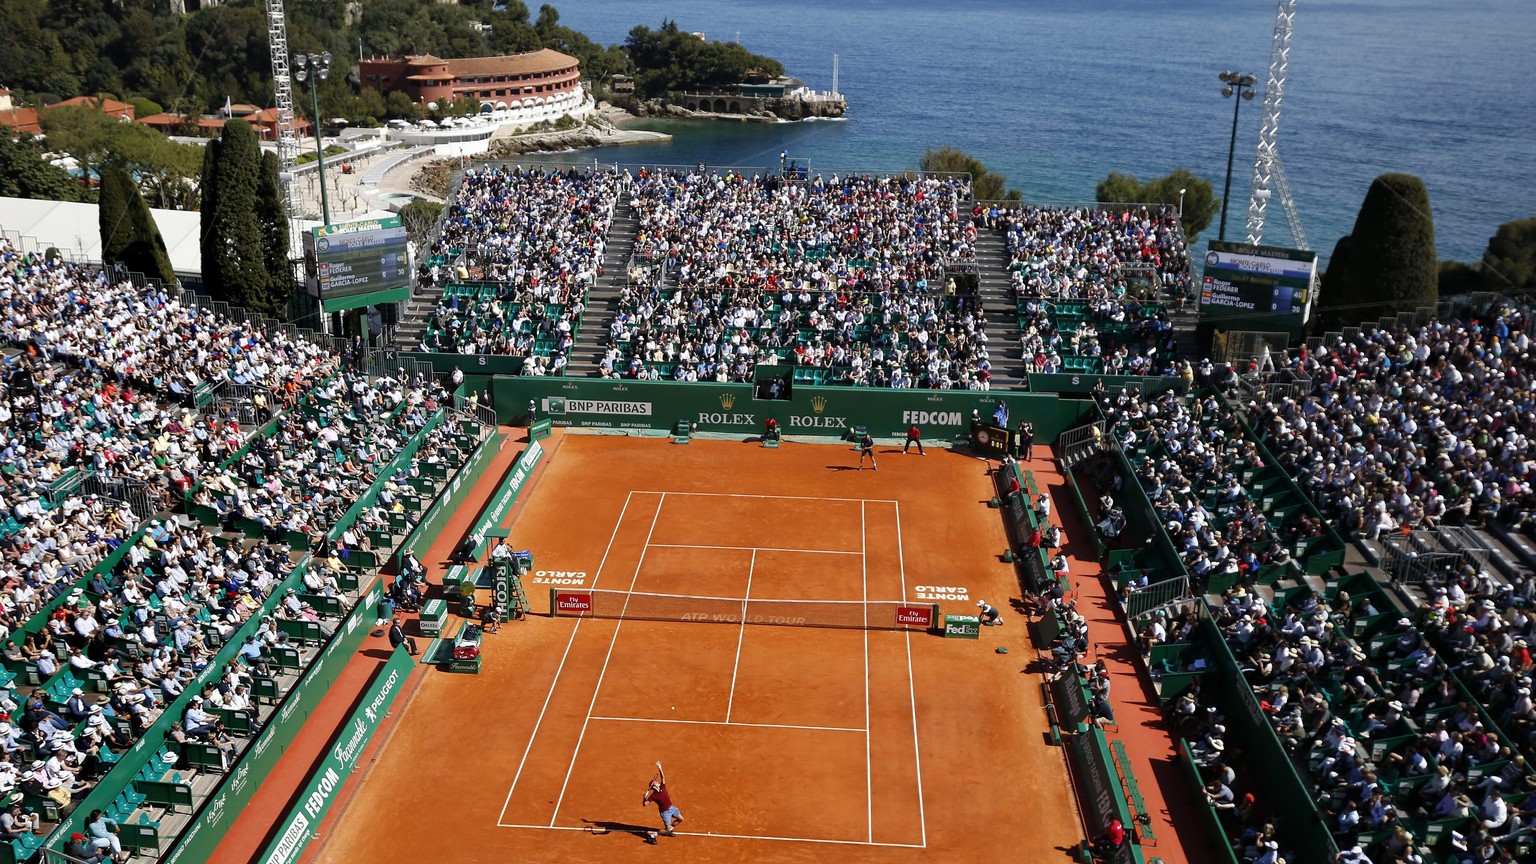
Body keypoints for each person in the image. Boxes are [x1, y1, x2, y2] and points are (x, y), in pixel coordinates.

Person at [642, 762, 684, 837]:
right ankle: (653, 836)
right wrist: (644, 798)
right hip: (665, 813)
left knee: (681, 819)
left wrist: (660, 768)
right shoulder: (653, 796)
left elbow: (663, 778)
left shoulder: (663, 787)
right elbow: (645, 804)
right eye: (656, 782)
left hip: (671, 808)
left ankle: (670, 829)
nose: (658, 782)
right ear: (654, 786)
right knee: (666, 830)